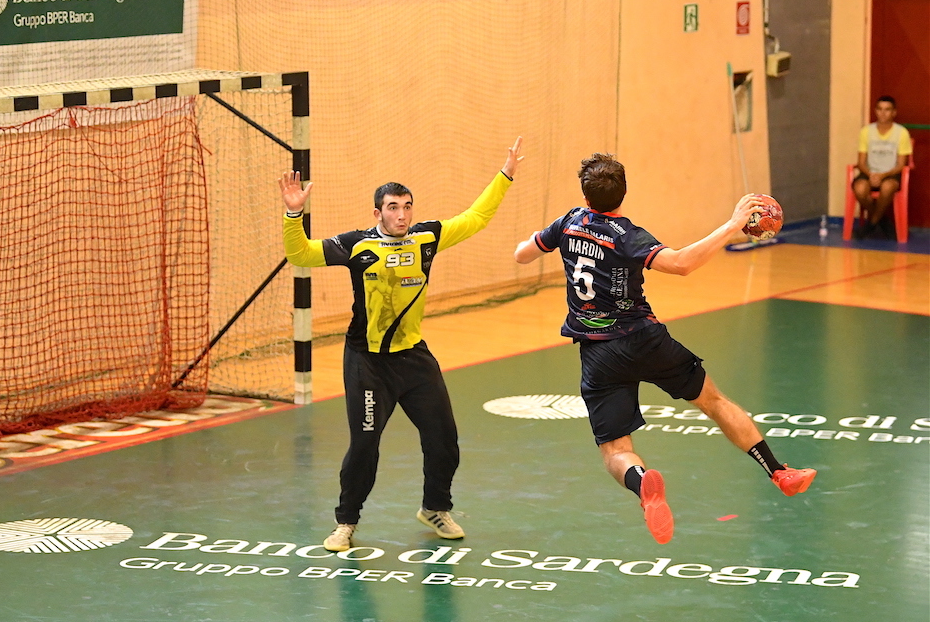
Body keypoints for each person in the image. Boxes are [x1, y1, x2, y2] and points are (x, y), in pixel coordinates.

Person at [513, 153, 816, 544]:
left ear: (586, 196)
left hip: (599, 355)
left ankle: (642, 484)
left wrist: (543, 241)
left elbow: (523, 254)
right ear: (623, 193)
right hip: (646, 341)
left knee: (615, 450)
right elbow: (682, 263)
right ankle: (778, 471)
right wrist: (733, 225)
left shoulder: (568, 223)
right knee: (714, 402)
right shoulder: (628, 236)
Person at [279, 137, 524, 552]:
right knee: (365, 446)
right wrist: (293, 213)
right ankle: (346, 523)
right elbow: (300, 254)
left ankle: (435, 508)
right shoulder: (356, 245)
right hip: (368, 363)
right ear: (378, 213)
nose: (402, 214)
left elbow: (476, 217)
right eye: (393, 207)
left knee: (444, 438)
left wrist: (506, 175)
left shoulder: (426, 238)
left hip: (413, 358)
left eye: (407, 206)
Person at [852, 95, 912, 239]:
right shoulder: (866, 131)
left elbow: (901, 164)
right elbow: (861, 162)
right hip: (869, 172)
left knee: (887, 187)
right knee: (859, 189)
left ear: (894, 112)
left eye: (887, 110)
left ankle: (871, 225)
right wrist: (871, 175)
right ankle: (883, 221)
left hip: (890, 173)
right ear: (875, 111)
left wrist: (883, 176)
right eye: (880, 109)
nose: (883, 113)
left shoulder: (902, 133)